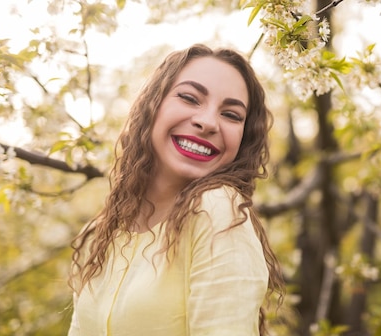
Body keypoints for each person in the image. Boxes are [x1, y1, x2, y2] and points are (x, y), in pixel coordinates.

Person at [68, 43, 283, 335]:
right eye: (189, 98)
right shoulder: (99, 234)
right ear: (152, 105)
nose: (207, 122)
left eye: (231, 115)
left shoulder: (218, 209)